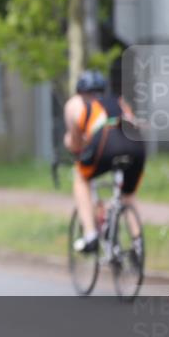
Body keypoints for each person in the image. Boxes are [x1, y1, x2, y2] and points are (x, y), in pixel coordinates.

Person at [63, 69, 146, 253]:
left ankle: (90, 235)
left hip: (108, 143)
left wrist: (75, 147)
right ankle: (137, 243)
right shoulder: (118, 101)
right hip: (137, 144)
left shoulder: (76, 104)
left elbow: (75, 143)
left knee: (81, 178)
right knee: (127, 195)